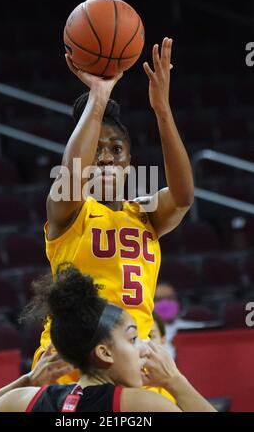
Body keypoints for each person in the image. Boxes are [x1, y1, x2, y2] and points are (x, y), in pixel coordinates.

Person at [33, 38, 195, 383]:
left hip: (136, 359)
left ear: (129, 162)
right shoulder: (69, 208)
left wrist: (162, 111)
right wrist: (98, 96)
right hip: (71, 360)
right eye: (97, 150)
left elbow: (182, 196)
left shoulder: (146, 213)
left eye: (116, 149)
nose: (105, 157)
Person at [0, 264, 215, 412]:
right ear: (104, 352)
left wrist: (27, 381)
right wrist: (176, 382)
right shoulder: (140, 404)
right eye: (133, 339)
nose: (145, 349)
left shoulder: (27, 401)